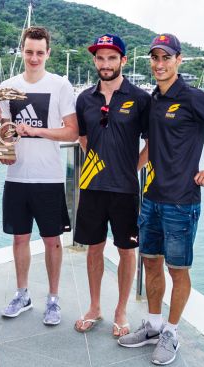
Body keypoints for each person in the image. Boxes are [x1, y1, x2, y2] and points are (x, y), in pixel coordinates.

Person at [118, 33, 204, 365]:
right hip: (152, 199)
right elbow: (151, 147)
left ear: (178, 60)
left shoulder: (193, 97)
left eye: (166, 58)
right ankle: (153, 325)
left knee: (178, 270)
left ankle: (171, 333)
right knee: (151, 263)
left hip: (182, 202)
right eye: (155, 58)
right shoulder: (154, 100)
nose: (159, 64)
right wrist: (130, 170)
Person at [0, 26, 78, 325]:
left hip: (49, 178)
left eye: (40, 53)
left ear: (48, 53)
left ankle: (53, 299)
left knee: (52, 241)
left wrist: (37, 130)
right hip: (17, 178)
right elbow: (4, 131)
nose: (34, 58)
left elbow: (72, 130)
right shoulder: (8, 86)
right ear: (22, 51)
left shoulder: (60, 85)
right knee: (19, 239)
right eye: (29, 52)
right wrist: (5, 148)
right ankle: (23, 294)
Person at [72, 34, 150, 336]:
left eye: (112, 58)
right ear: (94, 61)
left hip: (126, 189)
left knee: (127, 250)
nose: (105, 64)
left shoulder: (141, 99)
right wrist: (97, 166)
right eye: (100, 58)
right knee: (94, 248)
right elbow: (83, 138)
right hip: (92, 187)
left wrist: (132, 168)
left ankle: (121, 311)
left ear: (123, 61)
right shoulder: (84, 99)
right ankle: (94, 307)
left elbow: (151, 142)